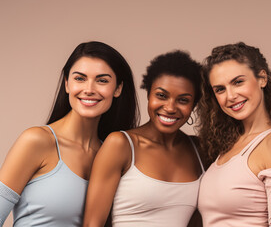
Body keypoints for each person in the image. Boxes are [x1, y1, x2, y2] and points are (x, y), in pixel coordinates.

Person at [0, 41, 139, 226]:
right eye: (80, 78)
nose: (89, 89)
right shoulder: (37, 141)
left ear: (118, 88)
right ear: (66, 84)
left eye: (102, 80)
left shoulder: (114, 154)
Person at [83, 50, 205, 227]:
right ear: (148, 95)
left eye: (183, 100)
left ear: (193, 105)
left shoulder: (198, 149)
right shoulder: (121, 144)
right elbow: (92, 224)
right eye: (161, 95)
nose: (170, 108)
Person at [197, 42, 271, 226]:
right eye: (220, 89)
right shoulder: (227, 147)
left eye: (238, 82)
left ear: (262, 78)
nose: (230, 96)